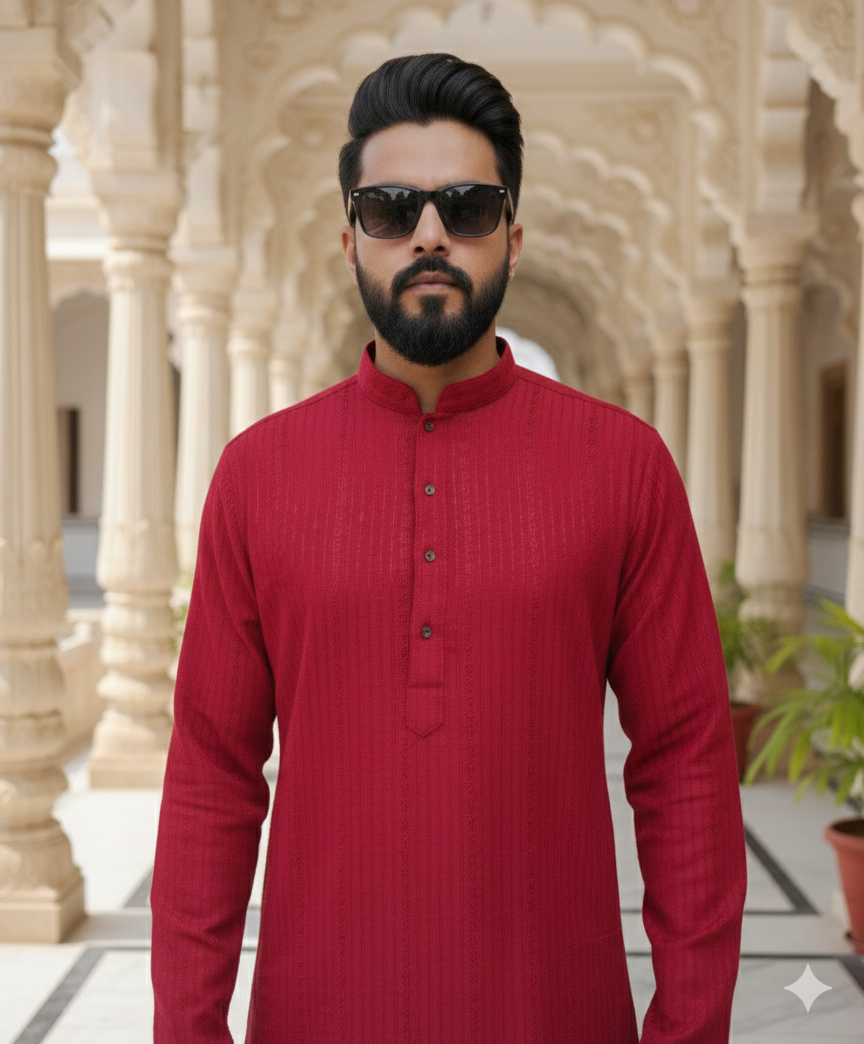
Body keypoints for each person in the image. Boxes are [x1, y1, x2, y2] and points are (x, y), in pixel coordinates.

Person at [151, 52, 747, 1043]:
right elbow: (213, 772)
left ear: (513, 234)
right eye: (391, 209)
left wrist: (690, 1030)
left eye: (467, 207)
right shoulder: (257, 474)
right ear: (350, 240)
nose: (430, 233)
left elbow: (685, 761)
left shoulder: (623, 465)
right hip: (317, 1015)